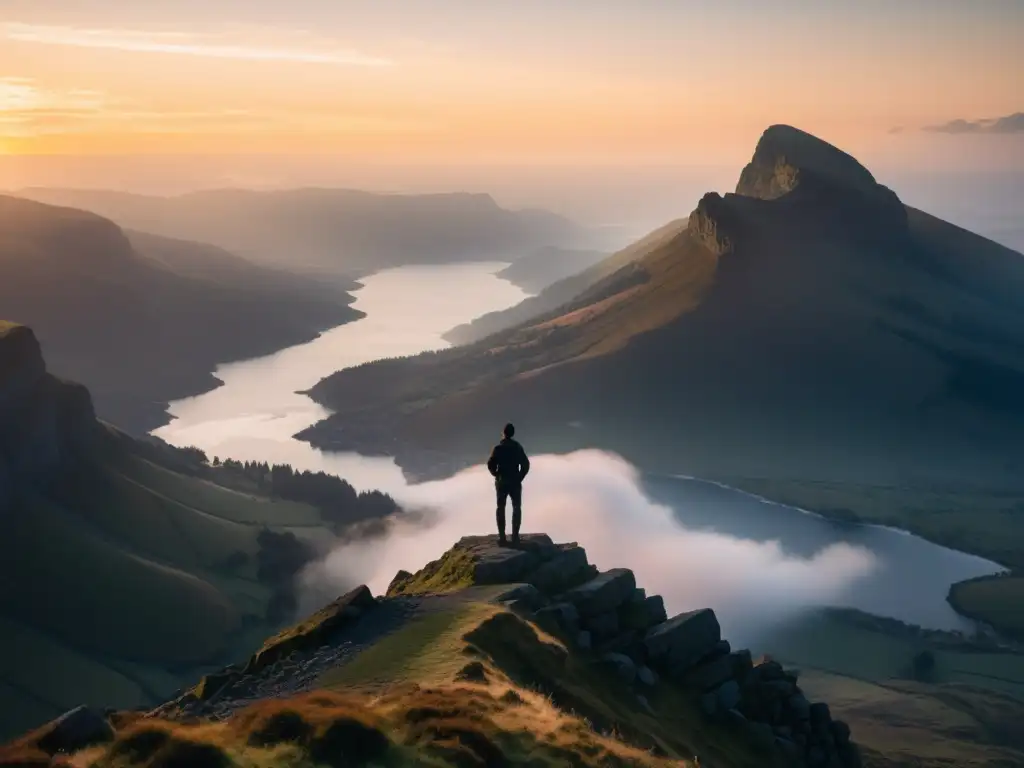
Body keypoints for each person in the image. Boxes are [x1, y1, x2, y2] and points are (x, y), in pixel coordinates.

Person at [486, 422, 530, 545]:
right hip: (515, 481)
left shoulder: (498, 448)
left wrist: (496, 475)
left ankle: (502, 538)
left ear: (504, 433)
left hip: (502, 482)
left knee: (501, 508)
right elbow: (526, 465)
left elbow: (490, 464)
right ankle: (515, 537)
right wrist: (520, 477)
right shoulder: (517, 447)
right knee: (516, 508)